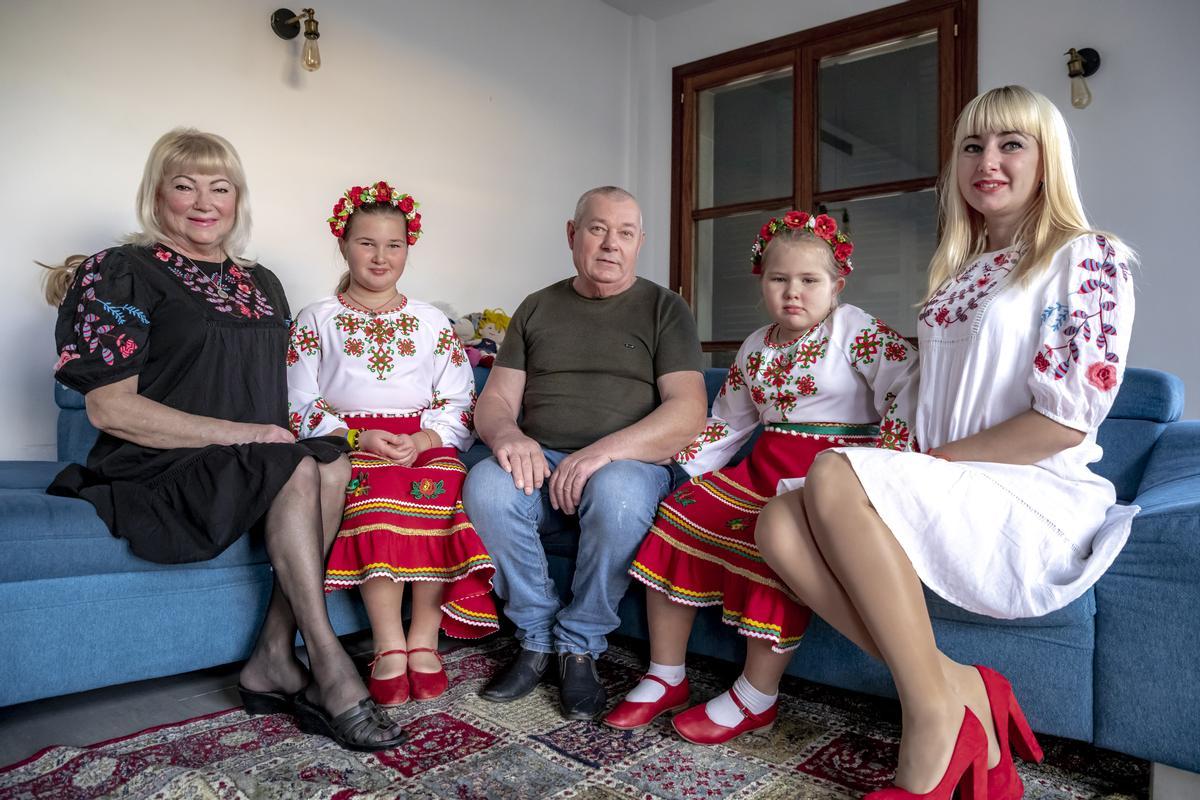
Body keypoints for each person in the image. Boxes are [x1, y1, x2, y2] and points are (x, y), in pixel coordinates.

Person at [754, 85, 1136, 800]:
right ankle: (953, 684)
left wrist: (926, 464)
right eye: (972, 146)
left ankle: (932, 718)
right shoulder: (954, 274)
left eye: (1010, 144)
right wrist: (907, 457)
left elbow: (1064, 422)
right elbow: (921, 398)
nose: (988, 161)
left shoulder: (1085, 256)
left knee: (834, 473)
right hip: (950, 482)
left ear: (1047, 159)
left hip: (1030, 488)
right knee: (777, 519)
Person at [43, 129, 405, 752]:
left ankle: (270, 656)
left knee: (331, 461)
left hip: (251, 457)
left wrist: (350, 431)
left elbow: (285, 396)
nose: (203, 202)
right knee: (292, 465)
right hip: (156, 465)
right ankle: (329, 665)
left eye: (220, 187)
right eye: (184, 186)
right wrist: (253, 437)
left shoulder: (262, 282)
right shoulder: (121, 271)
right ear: (157, 196)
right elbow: (109, 409)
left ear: (239, 199)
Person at [603, 211, 919, 744]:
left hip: (828, 473)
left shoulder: (855, 330)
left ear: (837, 285)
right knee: (683, 512)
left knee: (770, 540)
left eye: (809, 280)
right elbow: (728, 422)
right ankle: (666, 674)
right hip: (764, 466)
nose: (792, 292)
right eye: (779, 280)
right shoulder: (755, 347)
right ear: (762, 283)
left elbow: (906, 384)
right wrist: (682, 467)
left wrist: (890, 461)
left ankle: (756, 696)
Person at [463, 186, 707, 720]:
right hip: (542, 458)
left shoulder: (665, 308)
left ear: (640, 242)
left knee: (618, 493)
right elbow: (497, 400)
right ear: (572, 235)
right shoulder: (537, 307)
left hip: (629, 466)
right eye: (597, 229)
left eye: (625, 233)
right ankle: (535, 635)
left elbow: (687, 412)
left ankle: (580, 642)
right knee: (484, 484)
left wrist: (602, 454)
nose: (610, 244)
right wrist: (508, 437)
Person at [288, 180, 498, 707]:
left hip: (422, 442)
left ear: (409, 248)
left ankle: (424, 637)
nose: (381, 257)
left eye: (394, 245)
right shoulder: (317, 319)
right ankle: (388, 644)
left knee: (444, 482)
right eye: (366, 243)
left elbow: (459, 400)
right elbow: (297, 404)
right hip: (351, 443)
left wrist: (425, 437)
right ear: (342, 243)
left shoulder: (431, 322)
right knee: (374, 488)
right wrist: (359, 436)